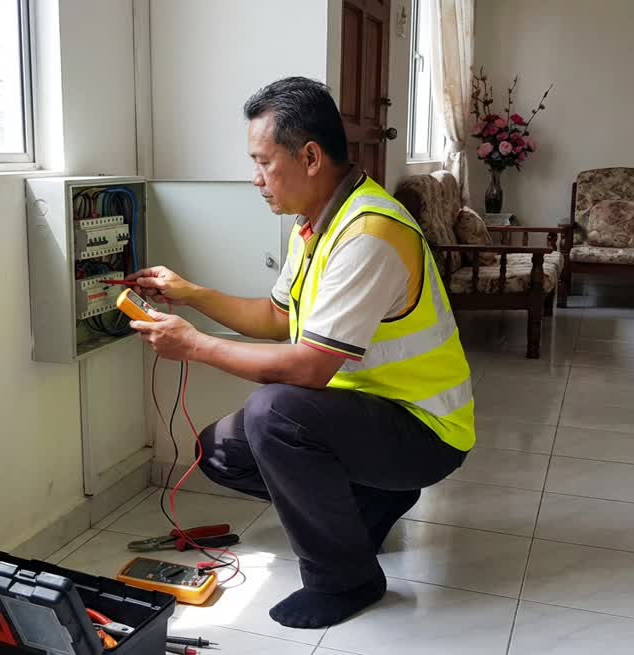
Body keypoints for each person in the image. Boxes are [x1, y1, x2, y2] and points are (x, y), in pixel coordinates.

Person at [125, 76, 475, 629]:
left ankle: (346, 579)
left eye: (264, 162)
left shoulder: (369, 232)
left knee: (275, 413)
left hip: (426, 430)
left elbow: (310, 365)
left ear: (310, 156)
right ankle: (370, 506)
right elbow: (276, 318)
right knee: (218, 451)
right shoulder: (314, 224)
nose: (256, 179)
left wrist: (192, 345)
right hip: (366, 413)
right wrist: (189, 294)